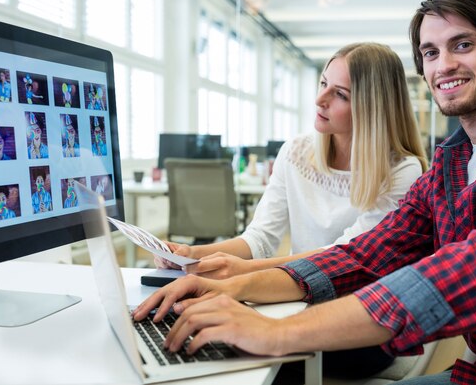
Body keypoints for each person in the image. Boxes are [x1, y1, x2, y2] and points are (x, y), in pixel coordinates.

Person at [134, 0, 476, 385]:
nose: (443, 65)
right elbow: (360, 257)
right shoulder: (448, 167)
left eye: (463, 45)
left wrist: (275, 332)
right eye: (430, 52)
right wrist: (231, 286)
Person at [157, 42, 429, 378]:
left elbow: (343, 257)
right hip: (294, 299)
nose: (320, 100)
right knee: (205, 331)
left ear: (372, 108)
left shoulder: (402, 170)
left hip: (359, 322)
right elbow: (260, 237)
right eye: (323, 84)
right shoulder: (297, 152)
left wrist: (242, 272)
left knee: (241, 356)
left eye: (340, 94)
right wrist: (193, 253)